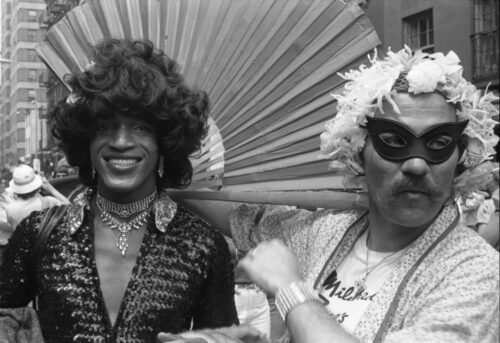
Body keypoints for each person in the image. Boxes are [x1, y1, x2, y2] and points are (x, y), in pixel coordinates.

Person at [161, 47, 499, 343]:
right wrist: (160, 177)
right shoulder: (324, 234)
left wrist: (293, 293)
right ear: (357, 153)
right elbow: (242, 216)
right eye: (393, 141)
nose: (415, 164)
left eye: (438, 144)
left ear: (461, 160)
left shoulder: (475, 272)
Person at [0, 39, 240, 342]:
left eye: (141, 128)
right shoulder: (38, 234)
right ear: (85, 140)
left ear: (164, 142)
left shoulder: (203, 246)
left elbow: (225, 337)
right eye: (105, 126)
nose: (121, 142)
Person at [3, 164, 70, 231]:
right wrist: (52, 190)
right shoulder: (49, 201)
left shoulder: (9, 209)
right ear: (37, 186)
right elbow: (69, 206)